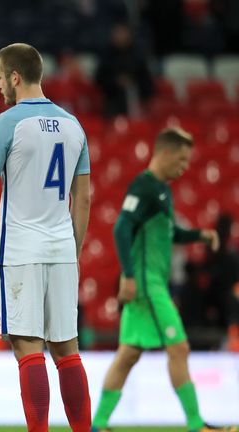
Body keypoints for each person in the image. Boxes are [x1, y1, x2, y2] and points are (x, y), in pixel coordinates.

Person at [0, 43, 92, 432]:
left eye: (0, 76)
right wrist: (73, 250)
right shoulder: (73, 124)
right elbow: (83, 196)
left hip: (21, 247)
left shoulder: (8, 122)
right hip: (61, 246)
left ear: (15, 77)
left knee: (28, 347)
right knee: (67, 351)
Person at [91, 128, 235, 432]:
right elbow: (120, 229)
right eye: (181, 160)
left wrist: (200, 235)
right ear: (165, 153)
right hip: (146, 285)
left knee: (128, 354)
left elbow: (170, 233)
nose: (184, 167)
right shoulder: (143, 187)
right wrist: (128, 277)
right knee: (178, 348)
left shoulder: (161, 190)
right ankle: (197, 425)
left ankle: (99, 424)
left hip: (150, 282)